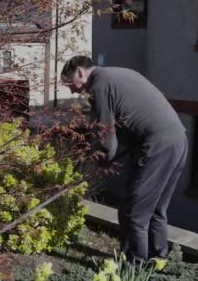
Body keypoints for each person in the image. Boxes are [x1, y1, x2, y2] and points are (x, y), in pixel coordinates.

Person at [61, 55, 187, 263]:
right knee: (155, 209)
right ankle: (160, 263)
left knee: (133, 213)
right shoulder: (118, 74)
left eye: (70, 84)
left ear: (80, 72)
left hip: (157, 146)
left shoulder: (99, 87)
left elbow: (107, 141)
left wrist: (94, 165)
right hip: (177, 141)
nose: (72, 91)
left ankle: (133, 268)